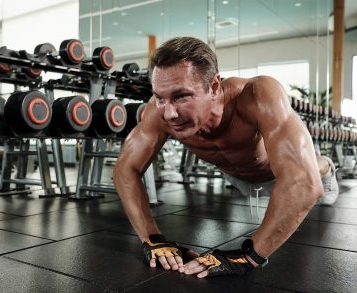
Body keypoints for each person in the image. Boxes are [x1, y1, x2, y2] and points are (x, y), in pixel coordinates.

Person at [113, 37, 339, 278]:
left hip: (279, 176)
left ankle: (325, 165)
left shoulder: (256, 95)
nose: (169, 113)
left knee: (311, 174)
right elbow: (125, 170)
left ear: (213, 86)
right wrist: (152, 239)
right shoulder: (158, 112)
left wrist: (250, 255)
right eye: (160, 97)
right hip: (237, 176)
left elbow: (302, 183)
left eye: (181, 97)